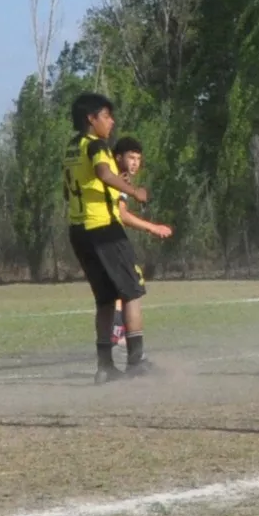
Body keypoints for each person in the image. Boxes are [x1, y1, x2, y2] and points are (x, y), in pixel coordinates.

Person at [63, 92, 154, 384]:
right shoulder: (97, 145)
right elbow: (103, 172)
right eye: (106, 116)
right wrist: (136, 192)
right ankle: (137, 361)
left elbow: (84, 184)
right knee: (132, 290)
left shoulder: (71, 148)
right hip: (103, 228)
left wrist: (117, 185)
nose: (111, 121)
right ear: (91, 119)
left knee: (105, 299)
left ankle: (105, 367)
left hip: (79, 231)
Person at [108, 136, 173, 347]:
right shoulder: (118, 180)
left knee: (118, 287)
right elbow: (122, 215)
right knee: (132, 286)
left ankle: (115, 330)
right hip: (109, 237)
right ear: (119, 157)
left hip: (99, 237)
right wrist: (153, 227)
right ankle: (119, 333)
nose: (135, 162)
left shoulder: (117, 178)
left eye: (138, 158)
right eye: (131, 157)